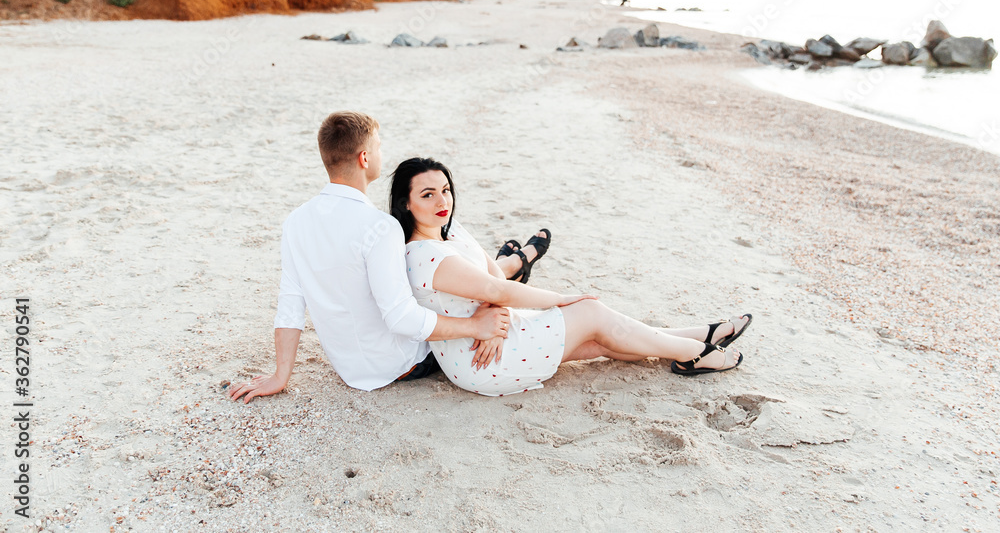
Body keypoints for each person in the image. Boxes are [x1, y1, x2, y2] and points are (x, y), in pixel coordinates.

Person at [390, 157, 751, 397]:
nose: (443, 200)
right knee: (592, 314)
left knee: (602, 342)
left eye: (446, 189)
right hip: (479, 359)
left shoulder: (449, 230)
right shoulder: (423, 256)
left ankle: (697, 336)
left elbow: (496, 274)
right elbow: (496, 287)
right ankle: (695, 353)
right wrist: (563, 300)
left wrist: (497, 316)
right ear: (407, 204)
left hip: (497, 333)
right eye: (428, 194)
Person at [229, 112, 519, 404]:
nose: (382, 154)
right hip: (402, 364)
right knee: (443, 235)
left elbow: (291, 300)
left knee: (437, 251)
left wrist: (281, 376)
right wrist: (475, 327)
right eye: (379, 147)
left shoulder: (296, 221)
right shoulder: (379, 226)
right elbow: (402, 318)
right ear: (365, 158)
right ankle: (508, 267)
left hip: (350, 368)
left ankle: (510, 265)